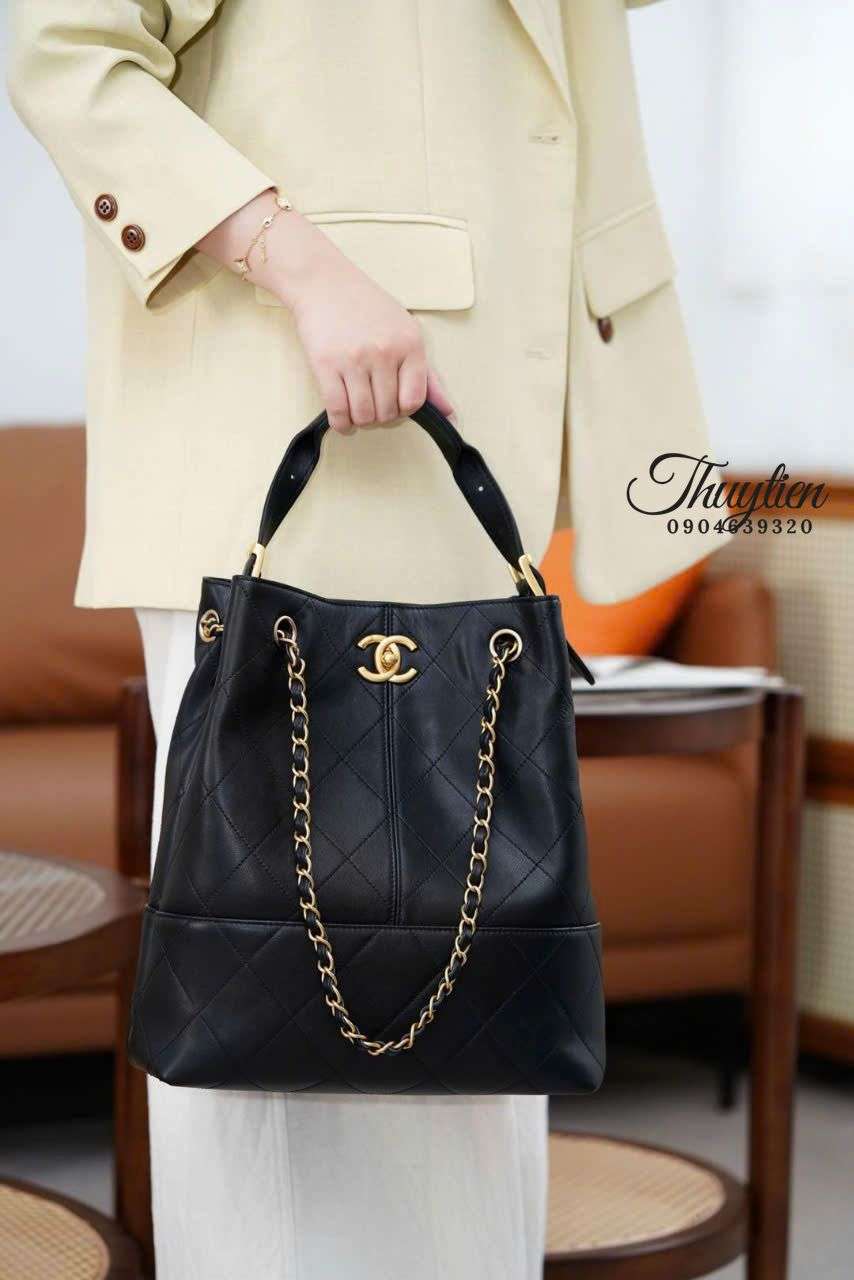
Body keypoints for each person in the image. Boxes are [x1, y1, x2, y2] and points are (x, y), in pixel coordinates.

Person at [8, 2, 718, 1276]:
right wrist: (300, 260)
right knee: (272, 1038)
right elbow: (66, 51)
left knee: (478, 1033)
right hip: (289, 416)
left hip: (476, 435)